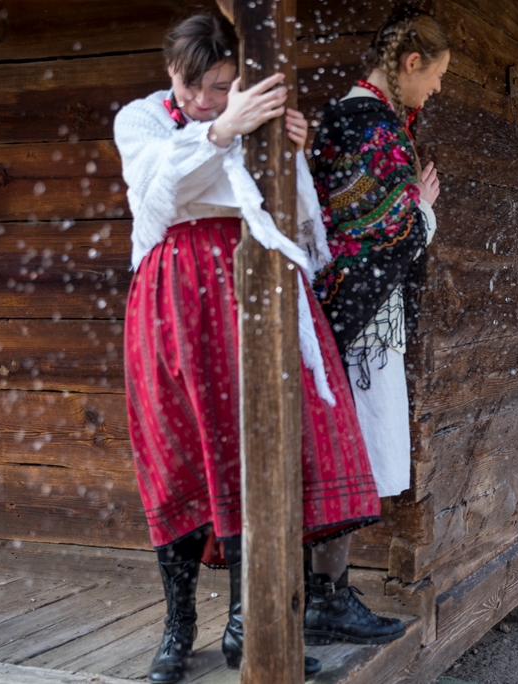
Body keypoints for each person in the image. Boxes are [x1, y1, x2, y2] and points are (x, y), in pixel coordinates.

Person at [114, 13, 380, 682]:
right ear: (171, 73)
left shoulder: (249, 118)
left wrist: (288, 151)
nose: (207, 100)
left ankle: (245, 623)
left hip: (248, 282)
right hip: (173, 293)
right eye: (195, 87)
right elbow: (159, 189)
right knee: (174, 451)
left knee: (251, 446)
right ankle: (178, 627)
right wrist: (222, 132)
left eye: (221, 87)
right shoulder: (141, 120)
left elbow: (282, 204)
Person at [304, 5, 449, 646]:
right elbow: (387, 233)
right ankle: (326, 598)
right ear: (411, 63)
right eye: (436, 75)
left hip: (338, 310)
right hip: (360, 325)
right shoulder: (373, 127)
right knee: (352, 453)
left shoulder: (347, 119)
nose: (436, 89)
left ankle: (320, 591)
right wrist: (423, 210)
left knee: (342, 451)